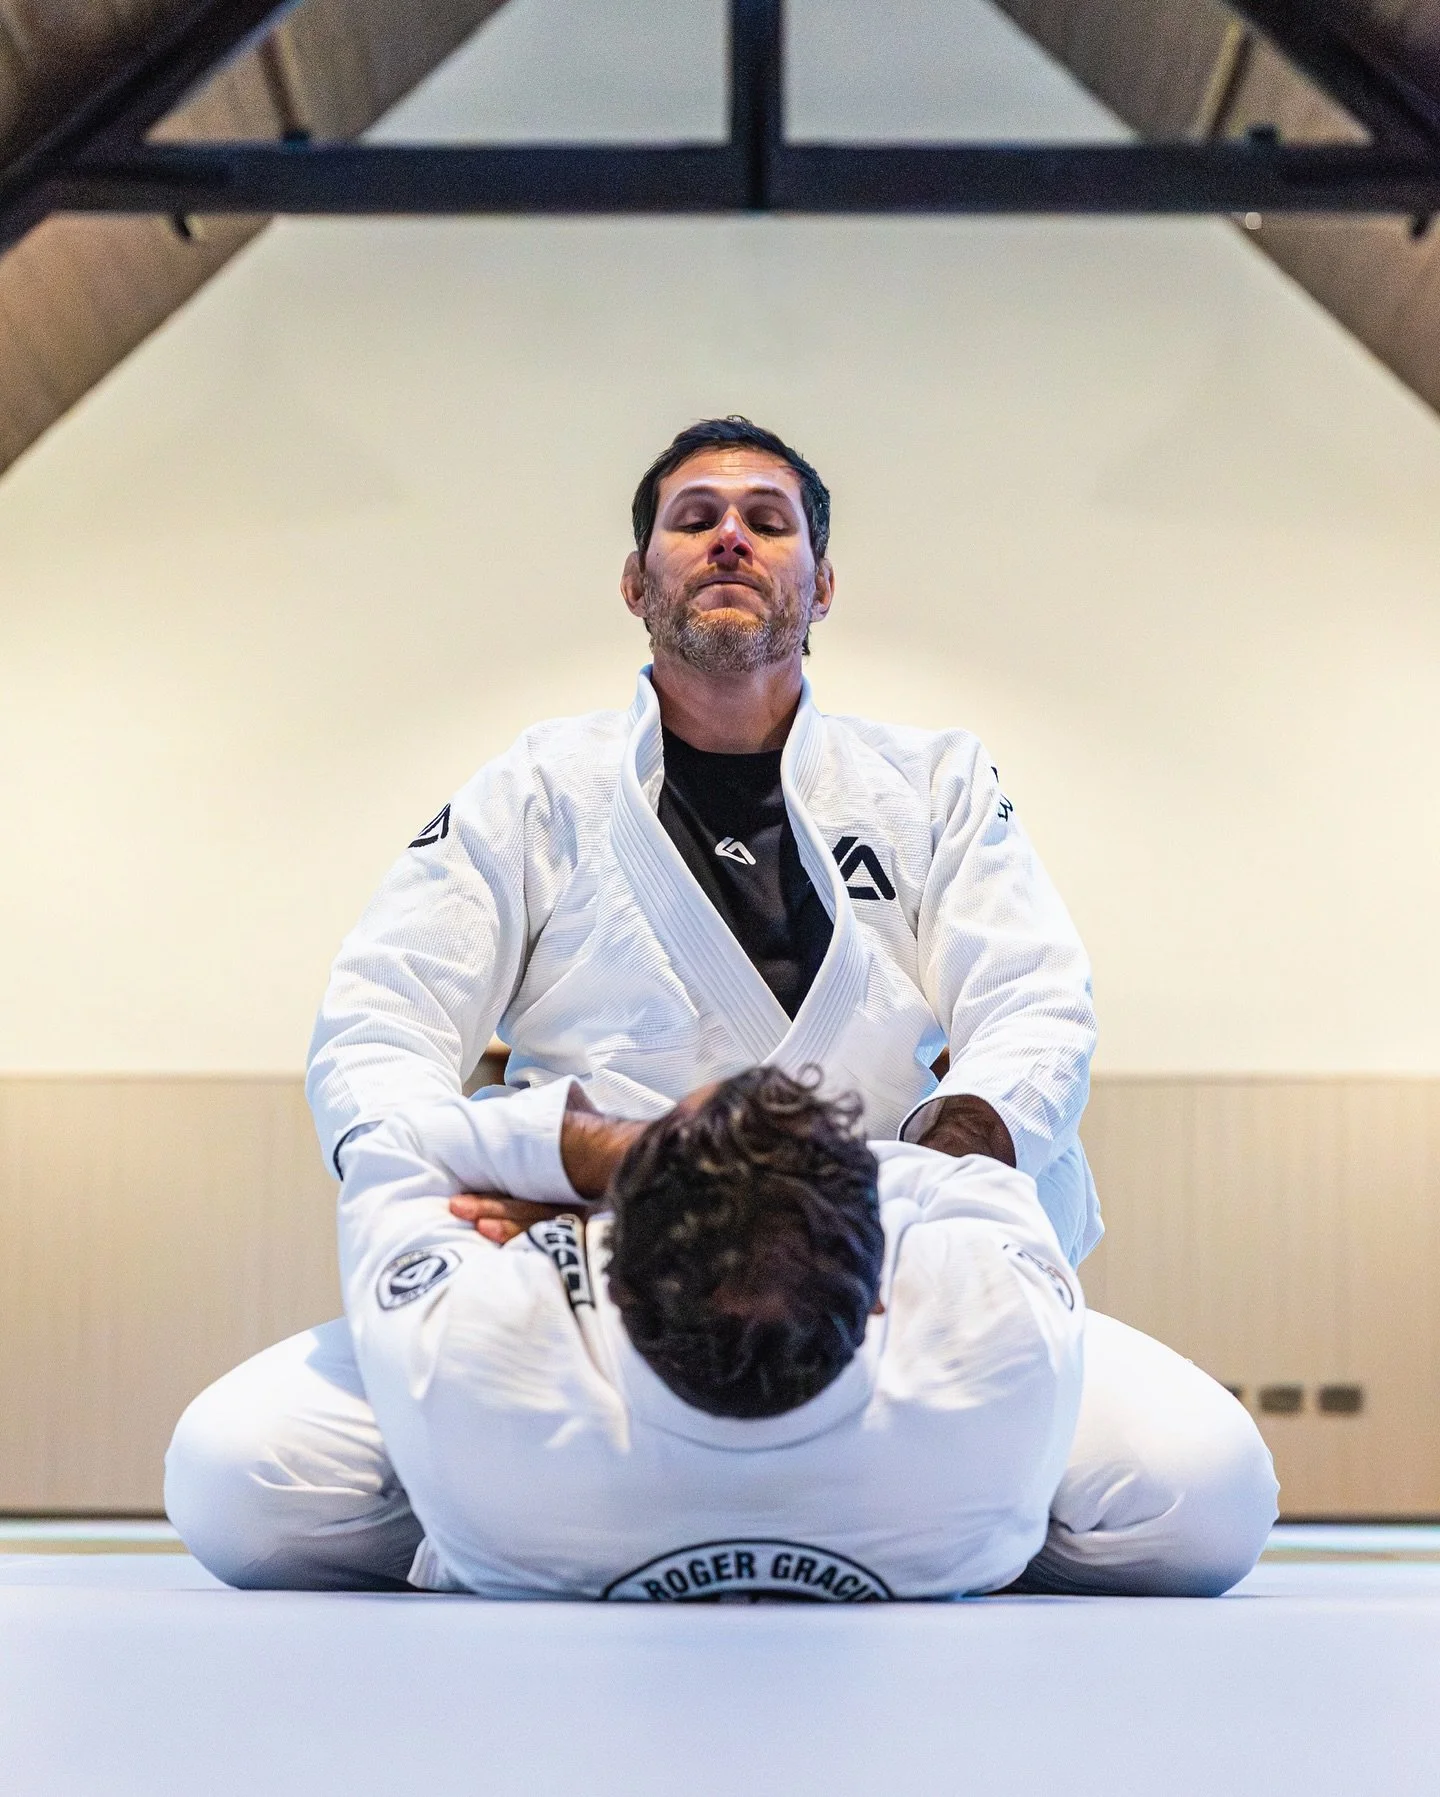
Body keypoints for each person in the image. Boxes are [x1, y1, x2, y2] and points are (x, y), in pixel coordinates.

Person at [166, 417, 1272, 1590]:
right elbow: (382, 1018)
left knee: (1201, 1499)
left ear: (823, 581)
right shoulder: (540, 790)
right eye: (694, 520)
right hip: (601, 1265)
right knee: (245, 1482)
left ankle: (571, 1511)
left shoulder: (934, 783)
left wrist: (949, 1165)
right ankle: (903, 1507)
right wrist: (479, 1184)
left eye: (767, 521)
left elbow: (1035, 1001)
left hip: (889, 1262)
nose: (730, 539)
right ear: (639, 580)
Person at [167, 1070, 1275, 1599]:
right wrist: (802, 1182)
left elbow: (402, 1150)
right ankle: (971, 1534)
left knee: (230, 1479)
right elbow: (963, 1182)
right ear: (887, 1290)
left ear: (600, 1282)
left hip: (522, 1495)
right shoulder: (997, 1348)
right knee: (1210, 1500)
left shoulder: (481, 1355)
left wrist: (620, 1155)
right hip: (944, 1493)